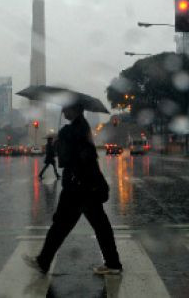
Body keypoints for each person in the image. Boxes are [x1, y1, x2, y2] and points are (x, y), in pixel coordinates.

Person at [24, 103, 122, 276]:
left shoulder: (73, 130)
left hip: (77, 187)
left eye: (66, 108)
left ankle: (44, 261)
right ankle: (112, 263)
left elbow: (65, 160)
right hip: (86, 185)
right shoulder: (81, 127)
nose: (63, 111)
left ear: (76, 110)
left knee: (61, 225)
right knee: (97, 225)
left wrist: (58, 141)